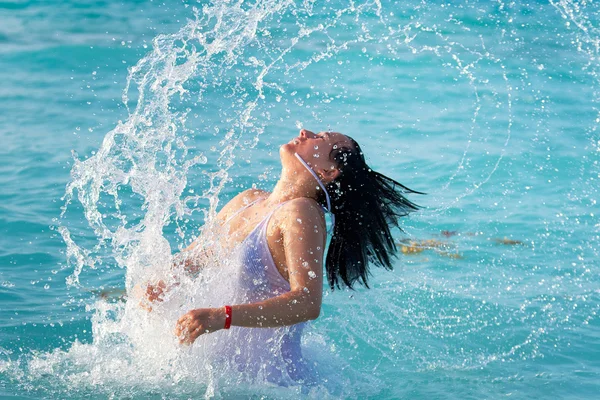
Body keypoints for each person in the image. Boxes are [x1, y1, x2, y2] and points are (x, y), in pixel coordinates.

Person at [145, 128, 422, 384]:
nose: (305, 132)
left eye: (321, 138)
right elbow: (195, 258)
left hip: (275, 384)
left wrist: (222, 317)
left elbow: (307, 302)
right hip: (220, 378)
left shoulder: (301, 213)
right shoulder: (246, 200)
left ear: (329, 171)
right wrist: (157, 283)